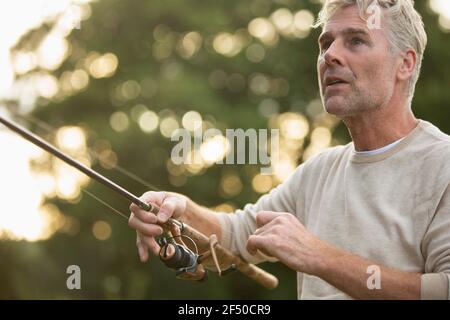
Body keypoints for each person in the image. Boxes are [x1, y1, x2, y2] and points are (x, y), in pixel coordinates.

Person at [129, 0, 450, 299]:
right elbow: (234, 239)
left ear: (404, 63)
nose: (330, 56)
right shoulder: (319, 171)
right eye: (326, 44)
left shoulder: (442, 163)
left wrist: (320, 256)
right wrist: (180, 210)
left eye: (355, 41)